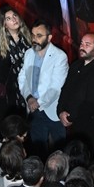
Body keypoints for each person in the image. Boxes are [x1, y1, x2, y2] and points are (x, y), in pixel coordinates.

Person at [57, 30, 94, 155]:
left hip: (91, 132)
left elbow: (90, 104)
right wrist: (60, 111)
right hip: (74, 128)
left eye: (87, 44)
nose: (82, 47)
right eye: (82, 43)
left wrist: (70, 118)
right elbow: (65, 90)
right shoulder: (76, 65)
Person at [18, 21, 68, 151]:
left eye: (39, 35)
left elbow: (56, 87)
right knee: (37, 148)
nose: (34, 39)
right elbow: (22, 78)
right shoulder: (29, 53)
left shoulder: (59, 57)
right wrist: (28, 98)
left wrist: (38, 102)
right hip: (33, 110)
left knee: (59, 150)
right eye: (33, 35)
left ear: (49, 37)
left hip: (52, 110)